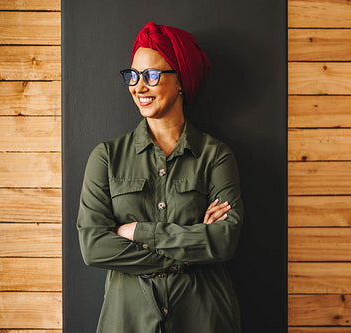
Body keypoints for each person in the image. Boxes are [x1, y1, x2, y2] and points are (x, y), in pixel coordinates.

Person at [77, 22, 244, 333]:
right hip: (127, 320)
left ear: (180, 80)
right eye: (133, 76)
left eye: (152, 75)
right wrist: (189, 250)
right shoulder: (107, 157)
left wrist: (138, 231)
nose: (139, 87)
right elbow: (94, 246)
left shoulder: (216, 156)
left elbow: (223, 240)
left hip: (204, 318)